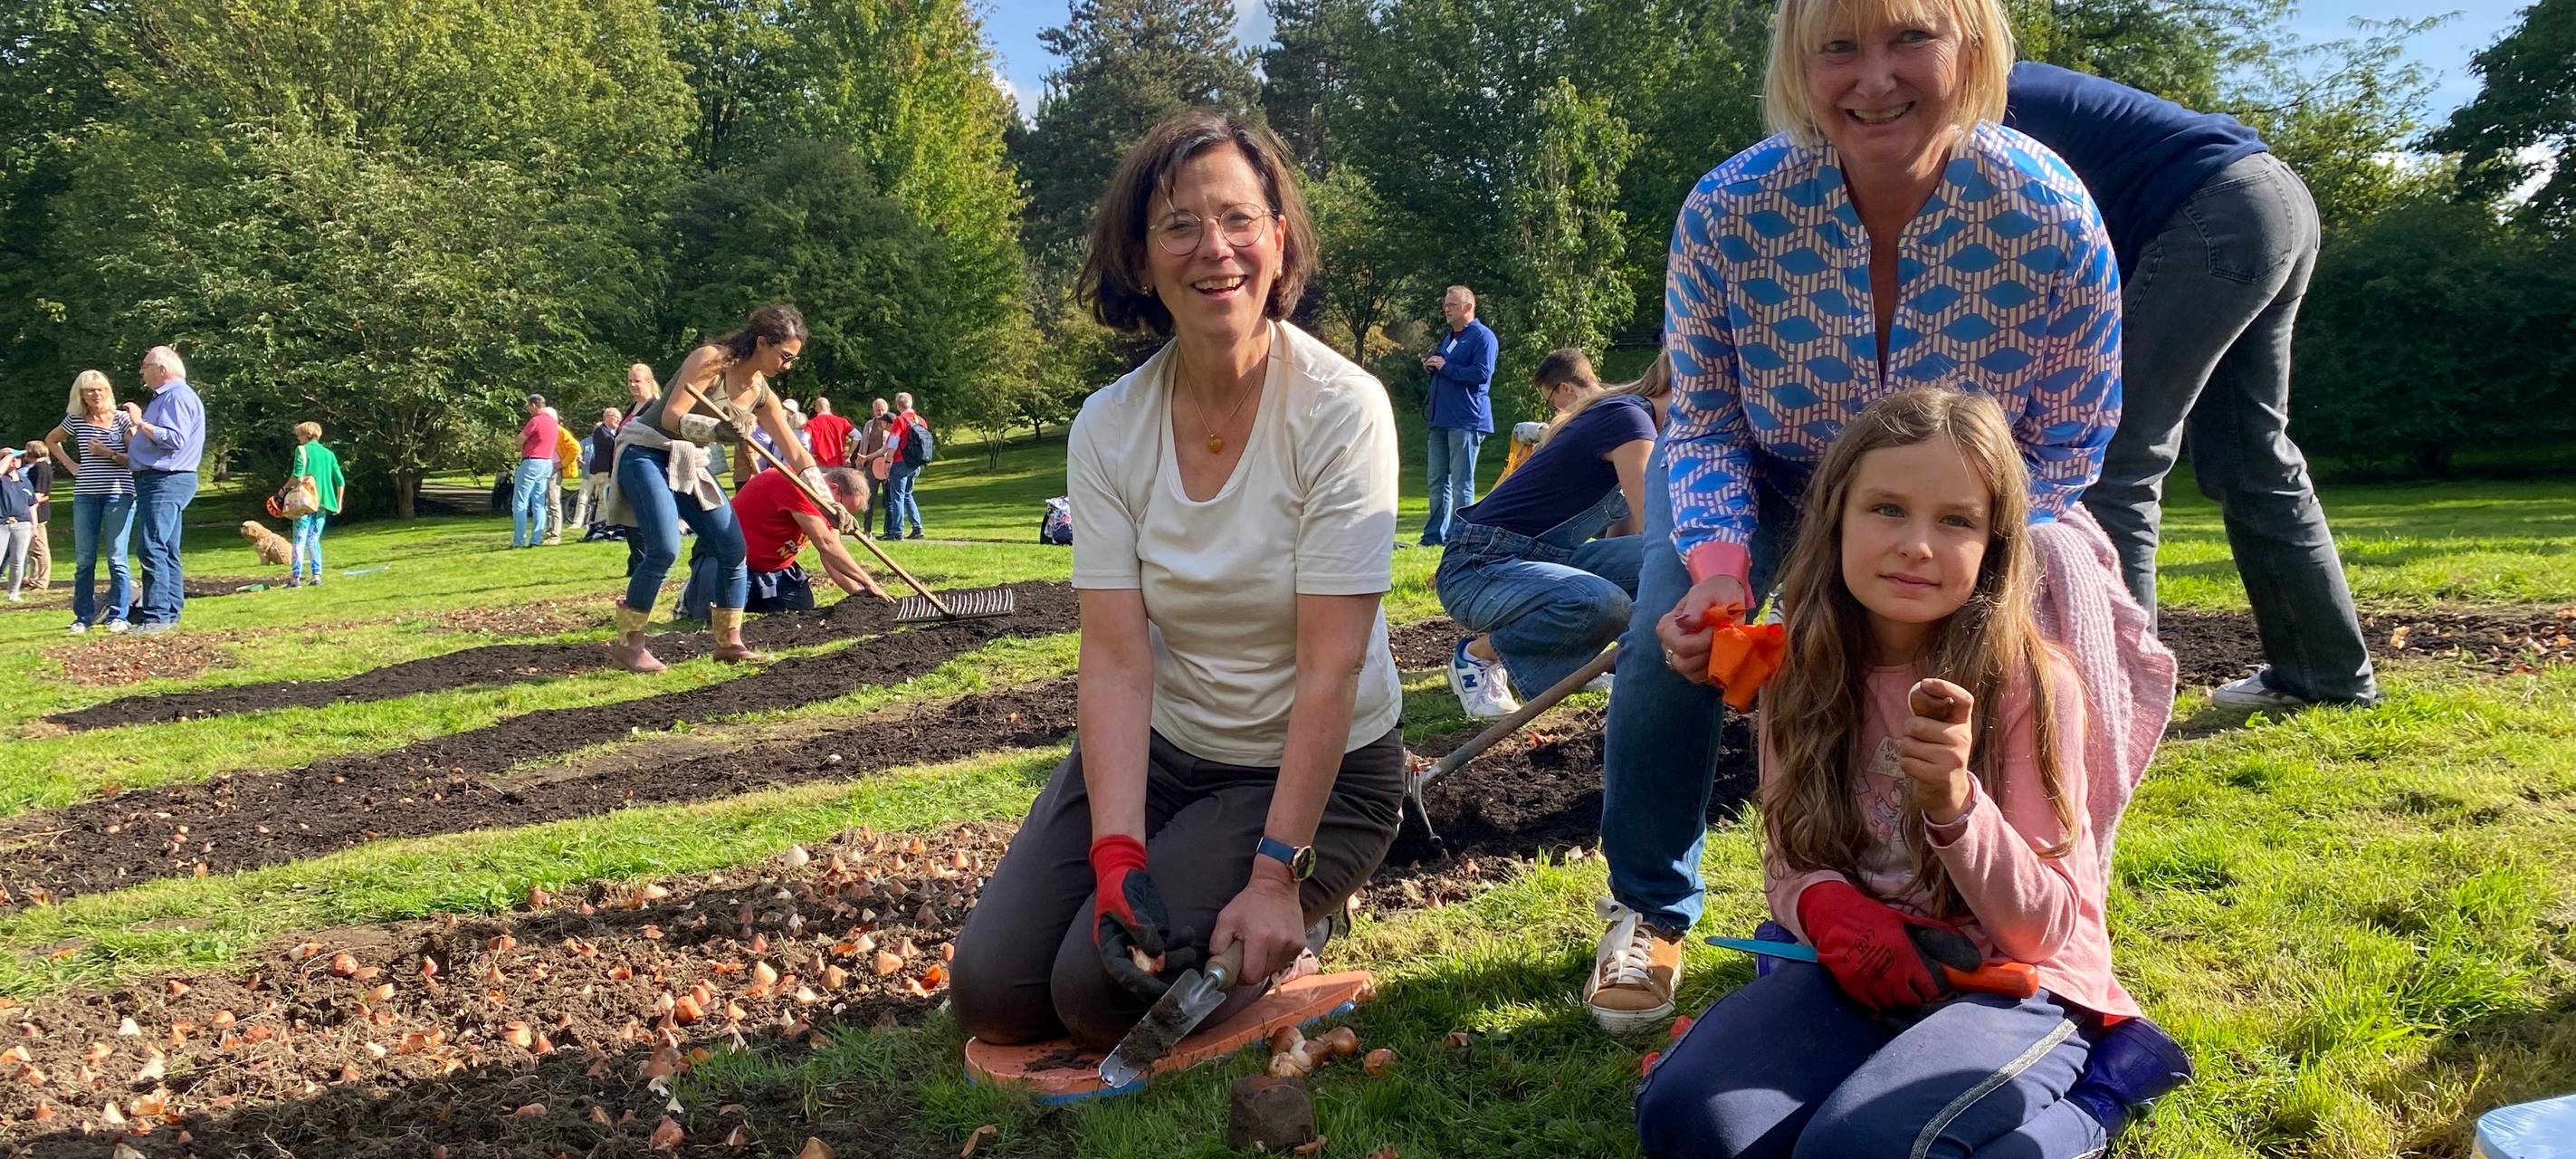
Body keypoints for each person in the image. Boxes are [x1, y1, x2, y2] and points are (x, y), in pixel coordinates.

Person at [1587, 0, 2123, 1035]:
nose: (1873, 78)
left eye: (1907, 39)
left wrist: (1994, 548)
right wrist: (1715, 568)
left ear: (1969, 49)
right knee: (1671, 639)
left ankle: (2042, 905)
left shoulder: (2049, 212)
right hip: (1779, 469)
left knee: (2058, 619)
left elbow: (2067, 440)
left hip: (1976, 497)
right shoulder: (1727, 210)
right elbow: (1699, 423)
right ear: (1800, 63)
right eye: (1838, 47)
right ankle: (1651, 907)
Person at [950, 109, 1404, 1051]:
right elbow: (1115, 660)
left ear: (1278, 240)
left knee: (1094, 997)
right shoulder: (1108, 426)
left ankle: (1303, 922)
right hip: (1163, 754)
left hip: (1313, 776)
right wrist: (1115, 855)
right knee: (994, 992)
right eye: (1179, 226)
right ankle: (1177, 876)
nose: (1215, 249)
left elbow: (1330, 667)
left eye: (1238, 219)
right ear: (1142, 258)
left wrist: (1276, 873)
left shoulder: (1340, 410)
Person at [1634, 388, 2139, 1157]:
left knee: (1859, 1149)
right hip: (1865, 970)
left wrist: (1957, 807)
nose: (1917, 545)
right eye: (1887, 509)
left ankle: (2100, 1100)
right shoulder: (1797, 667)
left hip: (2011, 980)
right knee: (1691, 1124)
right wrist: (1834, 910)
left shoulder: (2029, 685)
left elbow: (2045, 931)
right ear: (1835, 517)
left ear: (1995, 546)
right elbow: (1792, 861)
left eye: (1957, 521)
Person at [2005, 63, 2378, 711]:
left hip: (2210, 212)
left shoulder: (1964, 103)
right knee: (2253, 455)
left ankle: (2110, 704)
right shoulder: (1973, 82)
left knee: (2113, 456)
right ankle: (2326, 678)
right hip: (2271, 198)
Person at [600, 304, 844, 674]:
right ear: (762, 342)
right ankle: (628, 646)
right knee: (664, 548)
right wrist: (718, 432)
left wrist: (825, 501)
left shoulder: (760, 392)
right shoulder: (710, 360)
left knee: (733, 547)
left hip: (689, 462)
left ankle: (729, 643)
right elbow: (671, 416)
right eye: (785, 356)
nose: (788, 366)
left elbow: (795, 452)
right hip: (647, 453)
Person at [1436, 352, 1670, 719]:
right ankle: (1477, 657)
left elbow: (1632, 540)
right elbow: (1658, 529)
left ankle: (1591, 664)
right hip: (1478, 568)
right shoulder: (1628, 420)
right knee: (1604, 601)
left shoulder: (1635, 422)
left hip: (1543, 561)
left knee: (1658, 566)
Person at [677, 466, 888, 621]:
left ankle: (746, 598)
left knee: (801, 610)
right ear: (833, 489)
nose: (843, 515)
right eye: (845, 508)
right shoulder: (793, 482)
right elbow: (825, 543)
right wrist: (870, 583)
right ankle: (692, 593)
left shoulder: (829, 507)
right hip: (731, 562)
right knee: (714, 618)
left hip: (776, 572)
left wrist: (859, 593)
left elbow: (831, 556)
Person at [44, 370, 137, 634]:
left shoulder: (122, 419)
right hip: (85, 494)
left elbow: (135, 458)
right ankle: (83, 616)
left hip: (119, 494)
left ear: (107, 391)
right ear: (81, 395)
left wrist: (107, 453)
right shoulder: (75, 420)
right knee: (85, 559)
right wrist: (72, 465)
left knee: (117, 558)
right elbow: (51, 440)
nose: (95, 394)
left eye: (99, 389)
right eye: (89, 390)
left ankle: (119, 615)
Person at [124, 345, 206, 634]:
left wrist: (140, 423)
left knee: (153, 545)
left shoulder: (176, 397)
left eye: (145, 366)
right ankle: (169, 611)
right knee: (167, 546)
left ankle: (157, 617)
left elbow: (174, 439)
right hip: (162, 480)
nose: (141, 372)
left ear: (162, 369)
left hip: (165, 481)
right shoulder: (170, 397)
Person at [1417, 284, 1496, 547]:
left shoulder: (1483, 337)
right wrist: (1433, 366)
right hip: (1440, 419)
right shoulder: (1450, 337)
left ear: (1468, 307)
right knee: (1437, 481)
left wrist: (1446, 367)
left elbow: (1481, 374)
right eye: (1445, 304)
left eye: (1451, 305)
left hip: (1466, 419)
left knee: (1462, 483)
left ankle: (1460, 537)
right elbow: (1446, 367)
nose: (1446, 309)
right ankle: (1432, 537)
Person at [287, 422, 345, 588]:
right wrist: (339, 502)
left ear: (307, 435)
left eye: (299, 435)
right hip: (323, 502)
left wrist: (283, 491)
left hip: (304, 502)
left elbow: (297, 475)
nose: (298, 438)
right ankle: (316, 575)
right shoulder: (329, 454)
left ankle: (296, 577)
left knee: (299, 539)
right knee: (314, 539)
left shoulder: (302, 450)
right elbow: (340, 481)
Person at [509, 396, 558, 549]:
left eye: (529, 407)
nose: (528, 410)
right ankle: (536, 539)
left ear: (534, 405)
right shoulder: (553, 423)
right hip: (546, 462)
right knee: (538, 503)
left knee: (520, 502)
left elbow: (519, 440)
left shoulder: (536, 420)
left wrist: (518, 441)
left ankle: (519, 540)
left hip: (532, 461)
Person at [882, 391, 929, 540]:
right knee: (908, 495)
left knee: (897, 496)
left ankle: (897, 531)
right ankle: (917, 527)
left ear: (898, 405)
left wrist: (888, 462)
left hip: (901, 462)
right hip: (916, 463)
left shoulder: (900, 421)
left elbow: (893, 442)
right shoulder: (921, 420)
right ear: (911, 403)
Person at [576, 407, 622, 528]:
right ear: (607, 417)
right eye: (616, 418)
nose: (619, 420)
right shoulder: (601, 431)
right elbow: (612, 444)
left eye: (620, 418)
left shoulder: (612, 432)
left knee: (606, 499)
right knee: (604, 499)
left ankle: (602, 524)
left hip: (609, 470)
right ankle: (600, 525)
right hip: (603, 471)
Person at [0, 449, 35, 602]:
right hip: (2, 523)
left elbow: (32, 504)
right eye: (11, 458)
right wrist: (8, 456)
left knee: (18, 560)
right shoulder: (2, 479)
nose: (15, 460)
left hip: (22, 523)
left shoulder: (24, 480)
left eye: (17, 458)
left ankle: (14, 593)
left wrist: (34, 526)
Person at [18, 439, 52, 591]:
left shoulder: (40, 468)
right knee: (32, 549)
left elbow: (38, 494)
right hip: (34, 512)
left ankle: (42, 581)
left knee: (40, 548)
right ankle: (33, 578)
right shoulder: (41, 467)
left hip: (37, 513)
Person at [547, 407, 582, 545]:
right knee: (547, 502)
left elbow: (575, 448)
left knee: (553, 501)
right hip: (546, 468)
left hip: (554, 469)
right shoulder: (548, 430)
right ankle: (549, 532)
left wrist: (562, 464)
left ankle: (555, 535)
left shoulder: (559, 430)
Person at [855, 399, 895, 515]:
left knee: (889, 500)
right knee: (869, 499)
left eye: (883, 410)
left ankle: (890, 531)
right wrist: (861, 461)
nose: (881, 412)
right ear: (873, 410)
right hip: (871, 466)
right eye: (878, 410)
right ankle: (867, 530)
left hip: (887, 465)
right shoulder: (869, 424)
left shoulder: (892, 425)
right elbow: (863, 444)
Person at [804, 396, 855, 468]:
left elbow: (804, 440)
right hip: (838, 463)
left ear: (816, 408)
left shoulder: (811, 423)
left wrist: (809, 454)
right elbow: (858, 436)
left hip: (819, 463)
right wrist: (849, 452)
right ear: (828, 407)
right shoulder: (842, 422)